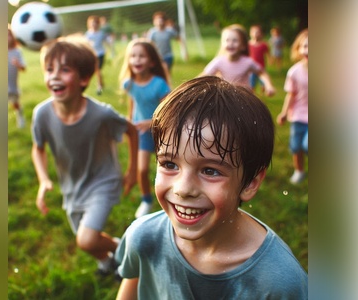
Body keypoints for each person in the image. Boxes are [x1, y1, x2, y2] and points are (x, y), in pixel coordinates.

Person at [115, 76, 308, 299]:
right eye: (169, 165)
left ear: (251, 182)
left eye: (210, 171)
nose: (183, 189)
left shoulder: (279, 282)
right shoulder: (143, 238)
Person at [31, 35, 138, 276]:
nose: (54, 76)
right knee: (87, 239)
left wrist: (131, 171)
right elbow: (38, 148)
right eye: (49, 69)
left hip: (103, 181)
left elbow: (130, 130)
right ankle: (107, 263)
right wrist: (43, 180)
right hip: (72, 187)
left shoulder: (100, 114)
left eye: (65, 70)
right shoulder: (42, 114)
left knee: (87, 240)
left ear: (84, 78)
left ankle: (125, 247)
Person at [119, 38, 171, 219]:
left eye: (142, 56)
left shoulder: (159, 84)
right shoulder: (129, 84)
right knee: (141, 169)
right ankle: (147, 200)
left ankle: (171, 199)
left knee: (166, 169)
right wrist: (131, 123)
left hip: (162, 132)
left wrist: (150, 123)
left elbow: (169, 112)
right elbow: (133, 103)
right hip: (141, 133)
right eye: (133, 56)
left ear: (152, 61)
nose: (136, 60)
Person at [200, 24, 275, 97]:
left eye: (235, 41)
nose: (230, 44)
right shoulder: (219, 61)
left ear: (243, 46)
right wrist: (189, 85)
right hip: (226, 98)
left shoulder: (248, 62)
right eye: (227, 40)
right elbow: (203, 76)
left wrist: (269, 85)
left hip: (244, 99)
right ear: (222, 44)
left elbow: (262, 73)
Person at [277, 29, 308, 184]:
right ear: (299, 49)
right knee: (296, 147)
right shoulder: (294, 72)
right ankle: (299, 171)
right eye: (305, 46)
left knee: (307, 145)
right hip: (297, 116)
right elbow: (291, 94)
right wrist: (283, 113)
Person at [85, 15, 109, 95]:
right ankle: (100, 85)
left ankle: (100, 85)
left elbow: (107, 41)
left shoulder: (101, 33)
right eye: (92, 23)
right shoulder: (88, 34)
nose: (94, 25)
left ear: (98, 24)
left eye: (95, 23)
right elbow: (86, 43)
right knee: (97, 70)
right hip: (93, 54)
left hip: (100, 54)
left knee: (98, 70)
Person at [8, 24, 26, 128]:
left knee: (14, 102)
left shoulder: (17, 52)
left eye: (8, 35)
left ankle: (20, 115)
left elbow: (23, 68)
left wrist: (17, 64)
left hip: (12, 84)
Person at [248, 24, 269, 94]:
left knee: (263, 81)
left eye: (257, 32)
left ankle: (263, 92)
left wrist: (269, 60)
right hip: (251, 68)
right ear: (250, 33)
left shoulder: (263, 45)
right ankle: (252, 94)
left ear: (261, 34)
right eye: (254, 32)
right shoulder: (248, 44)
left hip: (261, 67)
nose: (255, 34)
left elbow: (267, 54)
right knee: (252, 82)